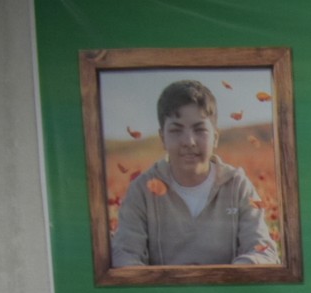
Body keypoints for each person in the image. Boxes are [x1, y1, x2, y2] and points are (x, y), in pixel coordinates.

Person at [110, 80, 279, 267]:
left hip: (227, 285)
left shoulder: (237, 186)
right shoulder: (142, 190)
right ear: (162, 138)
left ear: (215, 137)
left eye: (199, 130)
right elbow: (125, 254)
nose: (189, 141)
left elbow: (263, 251)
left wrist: (228, 277)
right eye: (176, 130)